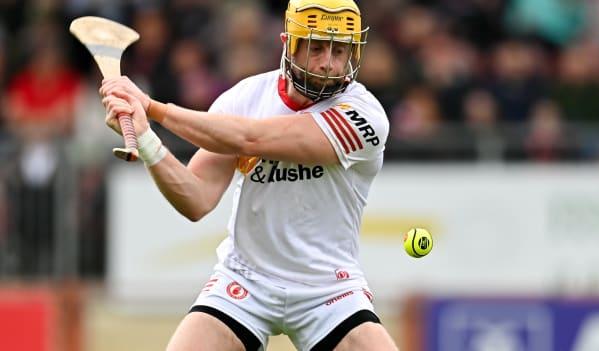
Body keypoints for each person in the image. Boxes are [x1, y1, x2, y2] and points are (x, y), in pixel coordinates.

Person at [100, 0, 396, 350]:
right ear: (289, 44)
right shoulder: (244, 99)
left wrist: (153, 108)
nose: (328, 63)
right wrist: (146, 137)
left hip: (328, 289)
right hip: (245, 282)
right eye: (316, 48)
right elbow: (195, 198)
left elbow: (252, 138)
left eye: (340, 50)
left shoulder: (363, 116)